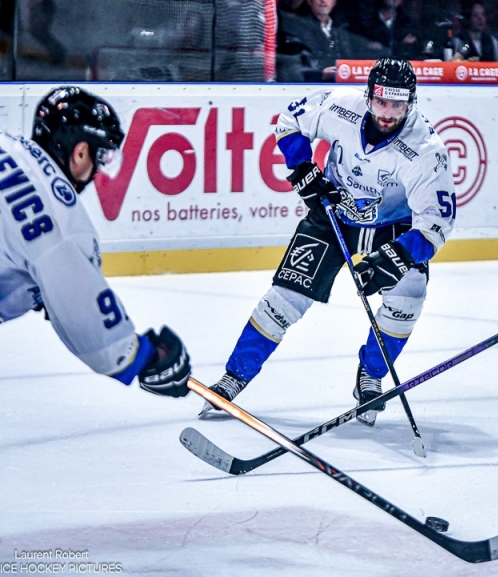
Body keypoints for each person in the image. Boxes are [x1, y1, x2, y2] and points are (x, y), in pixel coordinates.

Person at [200, 58, 456, 426]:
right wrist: (303, 169)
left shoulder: (426, 150)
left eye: (397, 105)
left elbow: (436, 223)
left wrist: (397, 257)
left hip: (393, 227)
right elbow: (289, 121)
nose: (387, 113)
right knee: (285, 297)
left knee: (408, 296)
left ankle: (371, 375)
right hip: (333, 213)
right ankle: (234, 377)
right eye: (381, 102)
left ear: (411, 103)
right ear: (368, 96)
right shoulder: (338, 106)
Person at [0, 86, 191, 400]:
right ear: (79, 152)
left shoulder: (7, 144)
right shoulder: (62, 220)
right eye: (99, 155)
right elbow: (102, 342)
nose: (98, 169)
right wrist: (144, 357)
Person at [350, 0, 420, 60]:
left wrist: (383, 47)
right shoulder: (365, 21)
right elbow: (360, 46)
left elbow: (411, 48)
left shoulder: (407, 22)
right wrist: (400, 44)